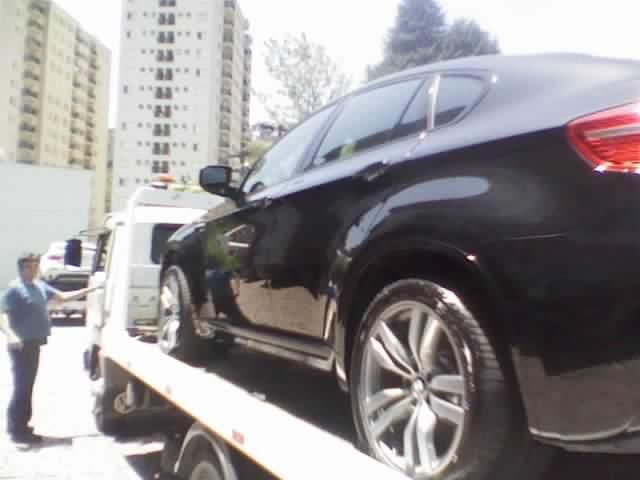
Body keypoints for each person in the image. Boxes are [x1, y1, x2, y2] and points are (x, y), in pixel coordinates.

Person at [0, 252, 102, 444]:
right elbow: (2, 314)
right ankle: (17, 431)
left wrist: (93, 289)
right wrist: (11, 335)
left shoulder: (39, 286)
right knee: (22, 388)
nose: (33, 269)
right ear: (21, 268)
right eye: (29, 266)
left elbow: (62, 297)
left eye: (36, 266)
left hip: (35, 343)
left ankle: (21, 425)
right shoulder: (15, 289)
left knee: (28, 386)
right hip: (21, 345)